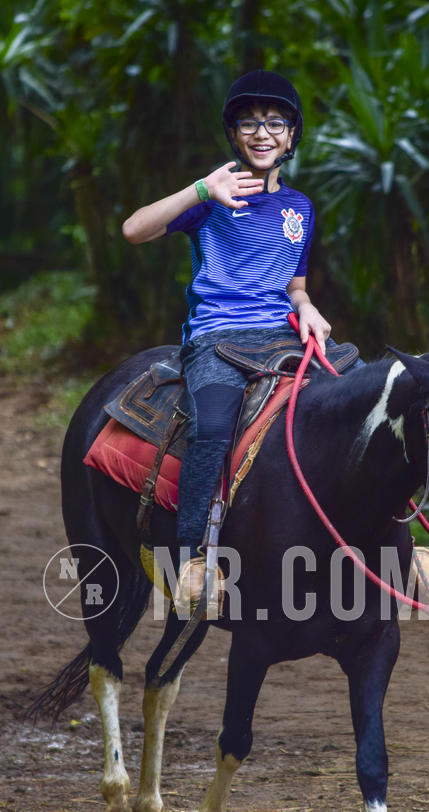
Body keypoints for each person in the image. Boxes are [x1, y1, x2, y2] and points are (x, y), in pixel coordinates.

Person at [122, 69, 334, 605]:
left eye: (274, 123)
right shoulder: (211, 193)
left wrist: (307, 308)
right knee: (214, 424)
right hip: (217, 337)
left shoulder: (301, 208)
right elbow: (133, 230)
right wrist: (200, 189)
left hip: (282, 337)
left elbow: (295, 284)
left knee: (360, 405)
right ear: (235, 135)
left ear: (291, 135)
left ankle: (401, 549)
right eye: (249, 124)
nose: (262, 133)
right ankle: (192, 555)